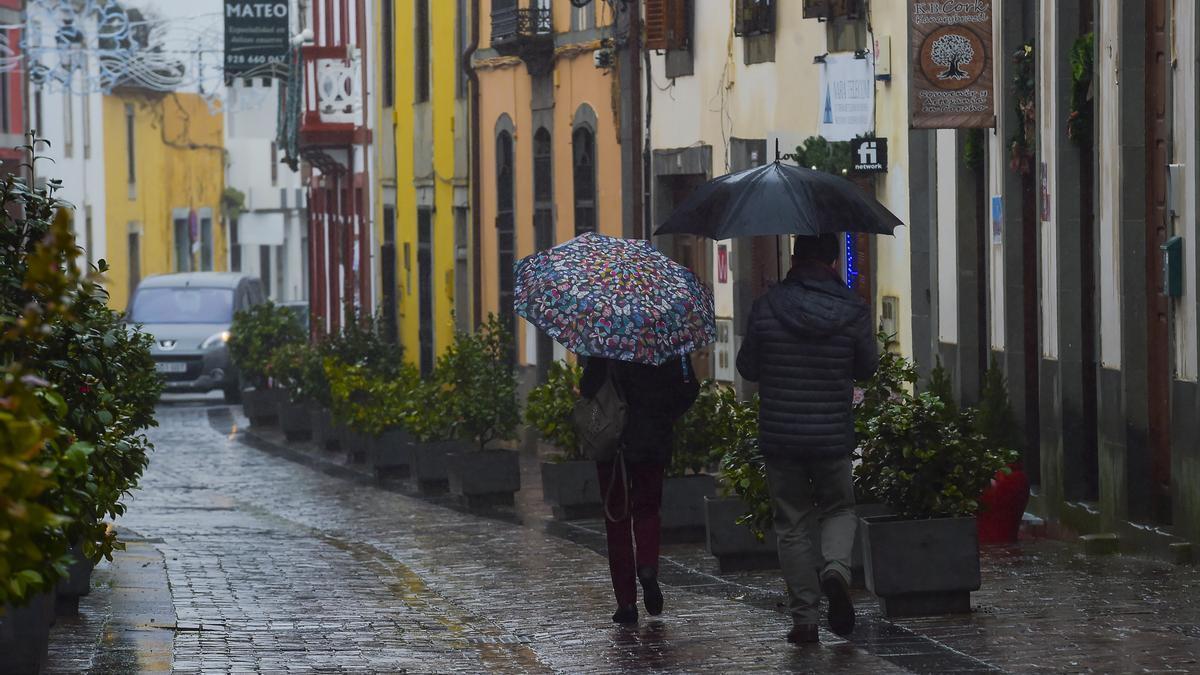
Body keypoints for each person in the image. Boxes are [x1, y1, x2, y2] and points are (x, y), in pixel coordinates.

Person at [735, 233, 877, 644]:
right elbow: (867, 367)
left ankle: (805, 619)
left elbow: (747, 368)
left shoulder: (767, 306)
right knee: (838, 509)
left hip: (782, 437)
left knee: (792, 523)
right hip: (832, 433)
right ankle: (835, 568)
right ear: (834, 261)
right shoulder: (852, 309)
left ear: (795, 258)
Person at [580, 355, 699, 624]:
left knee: (616, 518)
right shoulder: (666, 338)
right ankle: (647, 566)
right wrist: (664, 415)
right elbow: (688, 387)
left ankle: (626, 603)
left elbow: (589, 389)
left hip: (612, 442)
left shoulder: (604, 338)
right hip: (652, 438)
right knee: (647, 509)